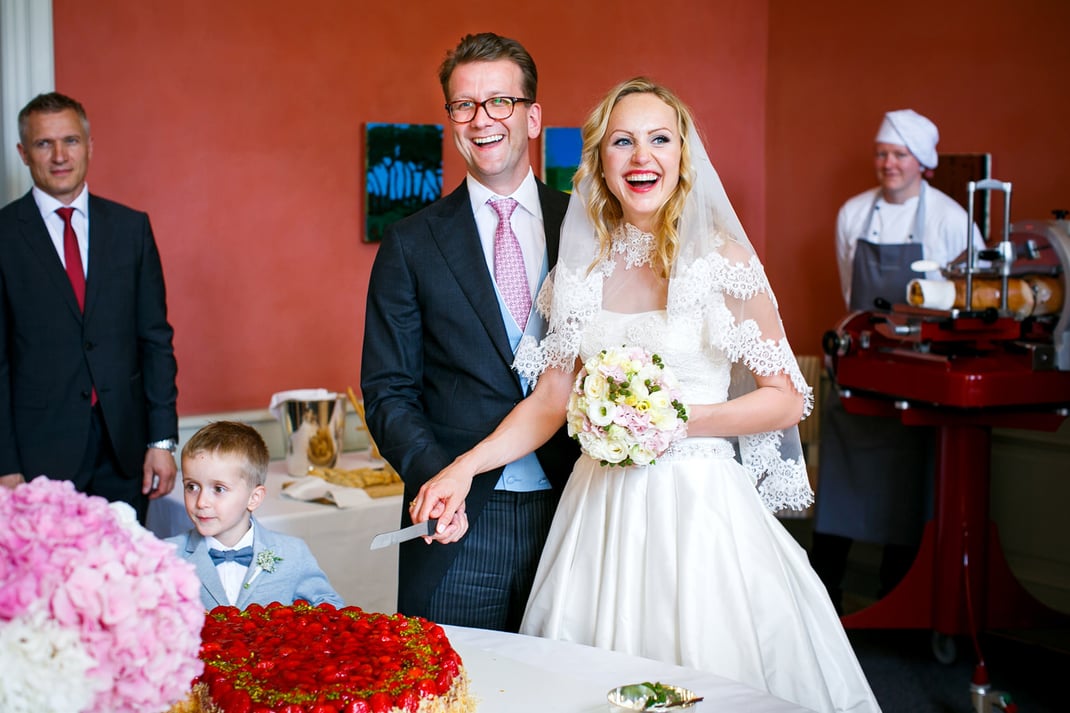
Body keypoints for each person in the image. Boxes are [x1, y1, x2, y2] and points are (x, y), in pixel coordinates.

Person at [411, 77, 882, 713]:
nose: (642, 156)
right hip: (599, 513)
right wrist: (464, 466)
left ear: (683, 156)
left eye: (660, 139)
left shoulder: (723, 261)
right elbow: (551, 400)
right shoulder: (578, 272)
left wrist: (674, 420)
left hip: (702, 511)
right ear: (600, 162)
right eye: (622, 141)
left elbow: (786, 397)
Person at [360, 32, 577, 631]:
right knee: (457, 686)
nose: (481, 120)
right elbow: (387, 390)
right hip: (459, 527)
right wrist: (439, 476)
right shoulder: (410, 242)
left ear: (532, 117)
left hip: (576, 510)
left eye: (499, 102)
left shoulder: (585, 228)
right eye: (464, 105)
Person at [810, 109, 985, 612]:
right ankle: (825, 600)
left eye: (899, 155)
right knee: (841, 490)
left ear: (923, 163)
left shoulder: (953, 220)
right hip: (860, 367)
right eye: (882, 153)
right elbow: (852, 288)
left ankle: (896, 599)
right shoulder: (854, 213)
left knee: (907, 496)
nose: (888, 163)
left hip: (919, 374)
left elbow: (964, 299)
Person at [0, 92, 178, 523]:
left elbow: (155, 340)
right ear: (24, 153)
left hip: (126, 455)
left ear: (90, 145)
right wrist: (5, 465)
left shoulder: (131, 228)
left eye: (71, 141)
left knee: (125, 579)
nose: (60, 155)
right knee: (49, 587)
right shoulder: (3, 235)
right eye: (44, 144)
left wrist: (162, 441)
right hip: (38, 460)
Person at [167, 421, 343, 610]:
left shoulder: (292, 553)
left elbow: (331, 607)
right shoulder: (167, 556)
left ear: (254, 498)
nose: (201, 502)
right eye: (191, 487)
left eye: (218, 489)